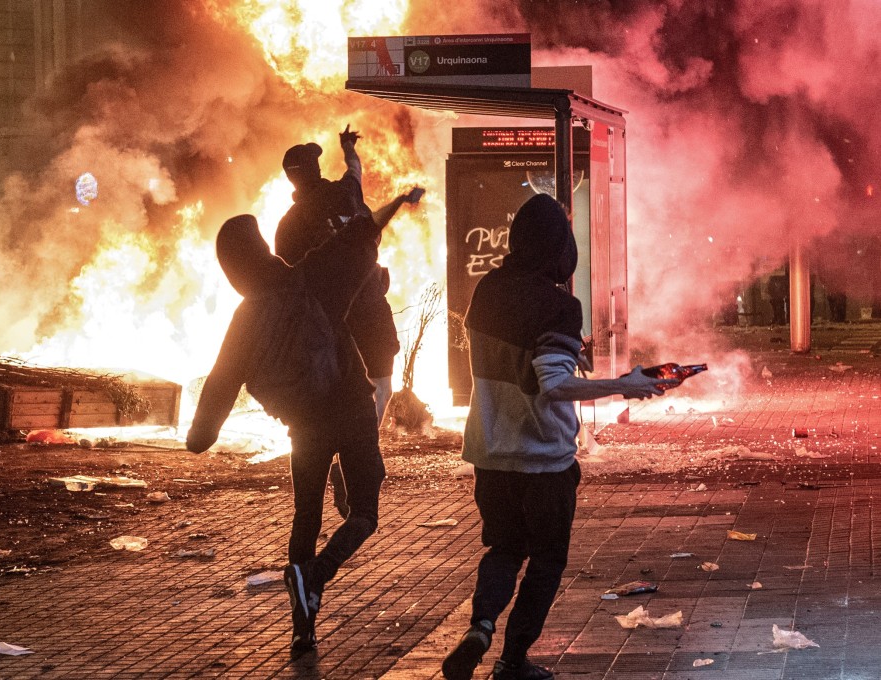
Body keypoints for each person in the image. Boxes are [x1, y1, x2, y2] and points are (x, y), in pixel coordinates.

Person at [441, 194, 673, 680]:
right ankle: (512, 660)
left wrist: (569, 357)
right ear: (557, 247)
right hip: (543, 460)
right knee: (546, 560)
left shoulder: (487, 291)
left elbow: (531, 362)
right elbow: (553, 384)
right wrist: (624, 385)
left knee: (504, 548)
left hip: (489, 454)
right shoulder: (559, 306)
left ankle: (480, 626)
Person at [186, 212, 388, 661]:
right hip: (352, 409)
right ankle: (317, 577)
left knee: (305, 520)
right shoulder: (309, 277)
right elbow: (355, 245)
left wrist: (200, 436)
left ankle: (303, 630)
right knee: (365, 513)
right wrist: (363, 215)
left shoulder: (244, 319)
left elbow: (220, 382)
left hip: (305, 426)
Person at [277, 125, 419, 514]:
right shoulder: (345, 191)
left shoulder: (288, 226)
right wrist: (347, 147)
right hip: (368, 312)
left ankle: (346, 466)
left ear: (291, 178)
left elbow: (289, 284)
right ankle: (349, 466)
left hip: (333, 325)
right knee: (380, 390)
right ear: (315, 169)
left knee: (347, 394)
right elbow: (356, 171)